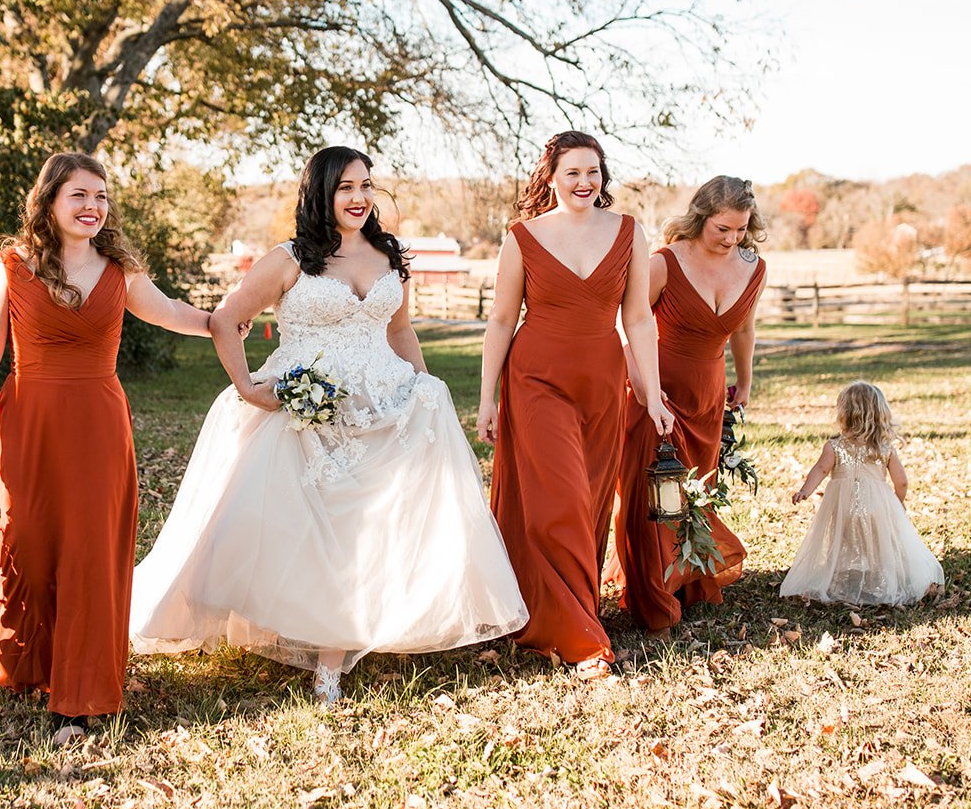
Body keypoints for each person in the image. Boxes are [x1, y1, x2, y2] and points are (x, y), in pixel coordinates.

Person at [129, 146, 527, 705]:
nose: (360, 197)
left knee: (370, 524)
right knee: (311, 528)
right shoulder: (290, 258)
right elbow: (225, 319)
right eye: (346, 187)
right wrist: (248, 387)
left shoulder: (390, 256)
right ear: (321, 192)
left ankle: (348, 642)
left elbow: (400, 330)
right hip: (308, 404)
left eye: (366, 185)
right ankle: (314, 645)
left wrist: (423, 385)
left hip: (384, 399)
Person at [0, 152, 216, 732]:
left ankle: (82, 697)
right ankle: (27, 667)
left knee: (89, 556)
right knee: (25, 548)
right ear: (49, 201)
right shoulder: (10, 266)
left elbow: (169, 313)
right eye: (79, 196)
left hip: (99, 430)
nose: (93, 207)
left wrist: (221, 319)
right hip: (28, 426)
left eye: (101, 197)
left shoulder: (118, 270)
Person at [476, 131, 671, 679]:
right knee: (557, 499)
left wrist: (651, 395)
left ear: (602, 177)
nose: (584, 183)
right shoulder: (522, 237)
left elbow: (636, 319)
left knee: (585, 505)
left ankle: (561, 609)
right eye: (572, 173)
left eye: (593, 172)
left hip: (603, 383)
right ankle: (580, 639)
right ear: (551, 178)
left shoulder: (629, 233)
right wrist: (487, 397)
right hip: (536, 379)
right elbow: (500, 320)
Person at [608, 175, 768, 634]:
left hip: (708, 394)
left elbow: (743, 330)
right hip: (655, 391)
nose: (733, 238)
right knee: (651, 494)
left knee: (694, 489)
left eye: (741, 229)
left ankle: (684, 577)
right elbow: (626, 326)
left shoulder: (754, 267)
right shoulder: (664, 263)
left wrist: (746, 381)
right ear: (700, 218)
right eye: (723, 229)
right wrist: (642, 387)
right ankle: (650, 589)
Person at [781, 381, 944, 605]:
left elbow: (820, 469)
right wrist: (898, 501)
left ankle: (839, 580)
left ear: (845, 414)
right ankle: (880, 580)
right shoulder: (884, 448)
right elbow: (902, 481)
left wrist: (805, 491)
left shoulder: (834, 446)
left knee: (842, 541)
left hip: (842, 506)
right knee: (878, 544)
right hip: (878, 506)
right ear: (880, 415)